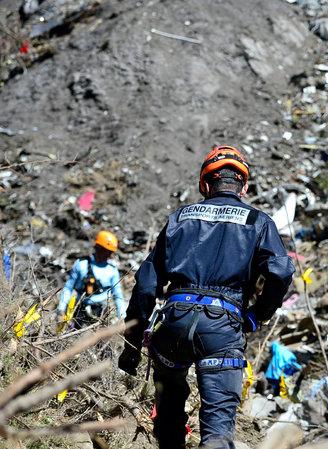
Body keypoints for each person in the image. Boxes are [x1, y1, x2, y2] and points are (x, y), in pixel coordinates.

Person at [118, 145, 295, 449]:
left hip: (172, 324)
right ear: (244, 186)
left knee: (168, 424)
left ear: (204, 183)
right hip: (222, 329)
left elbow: (146, 285)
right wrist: (257, 315)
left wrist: (131, 346)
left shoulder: (180, 219)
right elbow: (280, 273)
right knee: (216, 432)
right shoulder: (258, 222)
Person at [57, 230, 125, 328]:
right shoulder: (81, 264)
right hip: (80, 308)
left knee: (99, 341)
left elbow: (118, 295)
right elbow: (68, 287)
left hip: (101, 312)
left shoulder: (112, 270)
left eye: (109, 252)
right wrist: (61, 309)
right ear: (97, 247)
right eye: (104, 251)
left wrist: (122, 317)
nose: (106, 255)